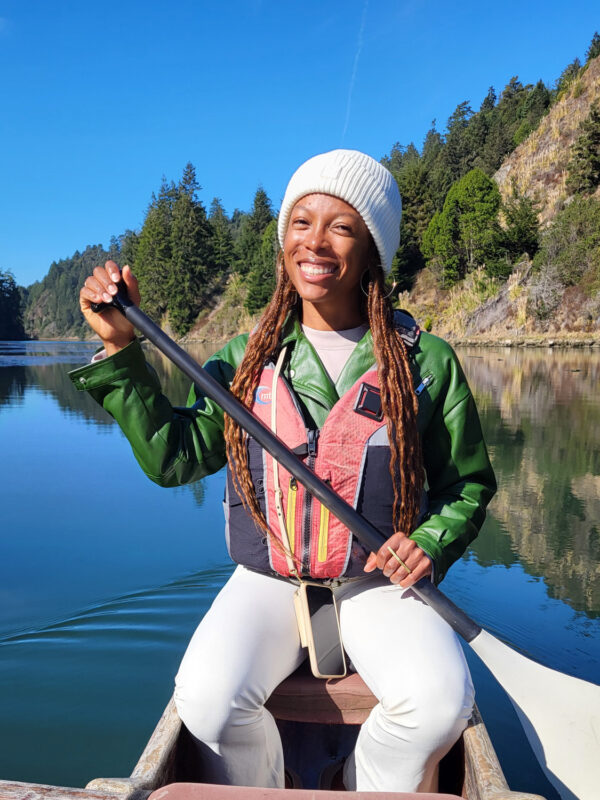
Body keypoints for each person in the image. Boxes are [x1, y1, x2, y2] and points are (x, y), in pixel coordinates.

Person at [71, 149, 496, 793]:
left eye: (342, 226)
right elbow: (173, 456)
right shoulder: (245, 360)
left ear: (372, 251)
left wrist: (430, 542)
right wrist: (118, 349)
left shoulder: (427, 363)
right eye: (301, 222)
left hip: (376, 583)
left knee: (437, 707)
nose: (315, 242)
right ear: (282, 241)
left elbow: (466, 485)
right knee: (207, 705)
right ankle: (271, 787)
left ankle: (362, 784)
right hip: (269, 578)